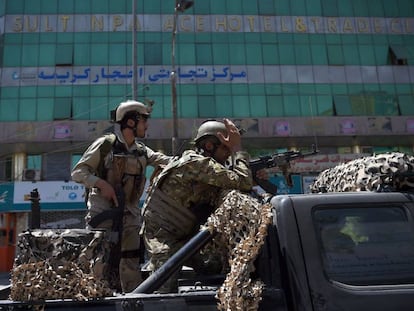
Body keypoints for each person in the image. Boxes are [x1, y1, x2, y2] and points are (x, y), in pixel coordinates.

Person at [141, 118, 255, 292]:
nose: (229, 153)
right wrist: (238, 150)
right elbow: (242, 181)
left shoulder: (206, 168)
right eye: (226, 148)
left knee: (215, 266)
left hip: (186, 237)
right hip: (163, 237)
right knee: (164, 288)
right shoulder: (196, 163)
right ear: (209, 146)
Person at [71, 100, 171, 293]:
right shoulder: (105, 145)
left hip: (130, 214)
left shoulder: (141, 150)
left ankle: (132, 298)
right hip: (104, 212)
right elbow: (78, 172)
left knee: (131, 260)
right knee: (99, 260)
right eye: (143, 121)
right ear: (131, 122)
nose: (147, 126)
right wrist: (102, 184)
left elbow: (164, 160)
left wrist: (189, 161)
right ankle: (95, 297)